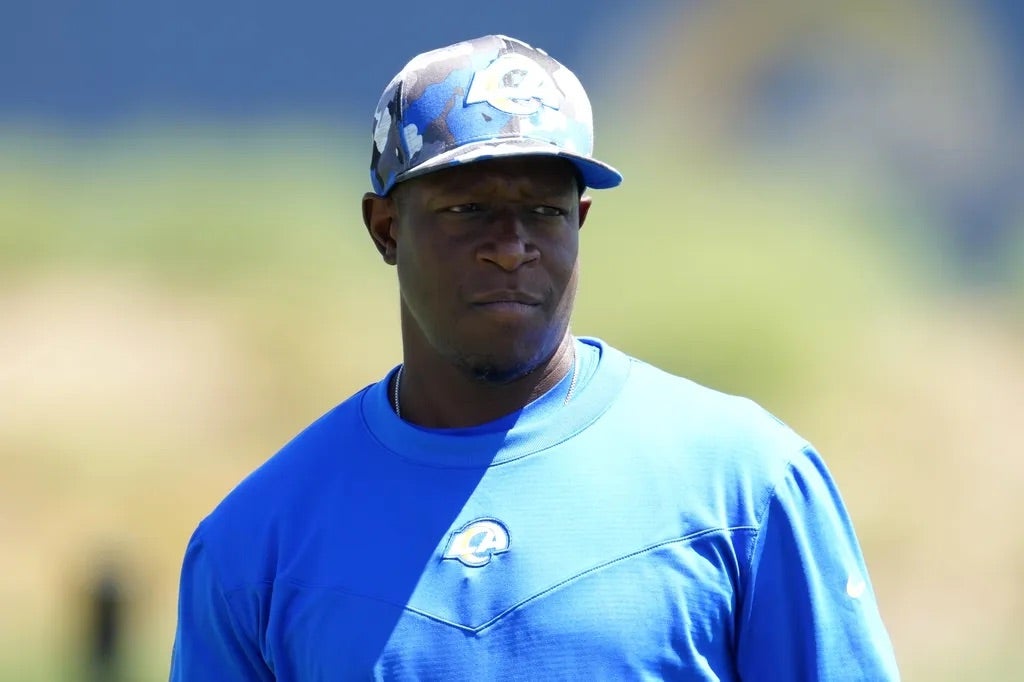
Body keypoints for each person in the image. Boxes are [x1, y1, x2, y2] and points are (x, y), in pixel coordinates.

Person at [170, 34, 900, 680]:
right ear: (385, 227)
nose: (511, 245)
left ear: (580, 222)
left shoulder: (747, 486)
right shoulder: (254, 545)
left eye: (544, 211)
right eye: (468, 209)